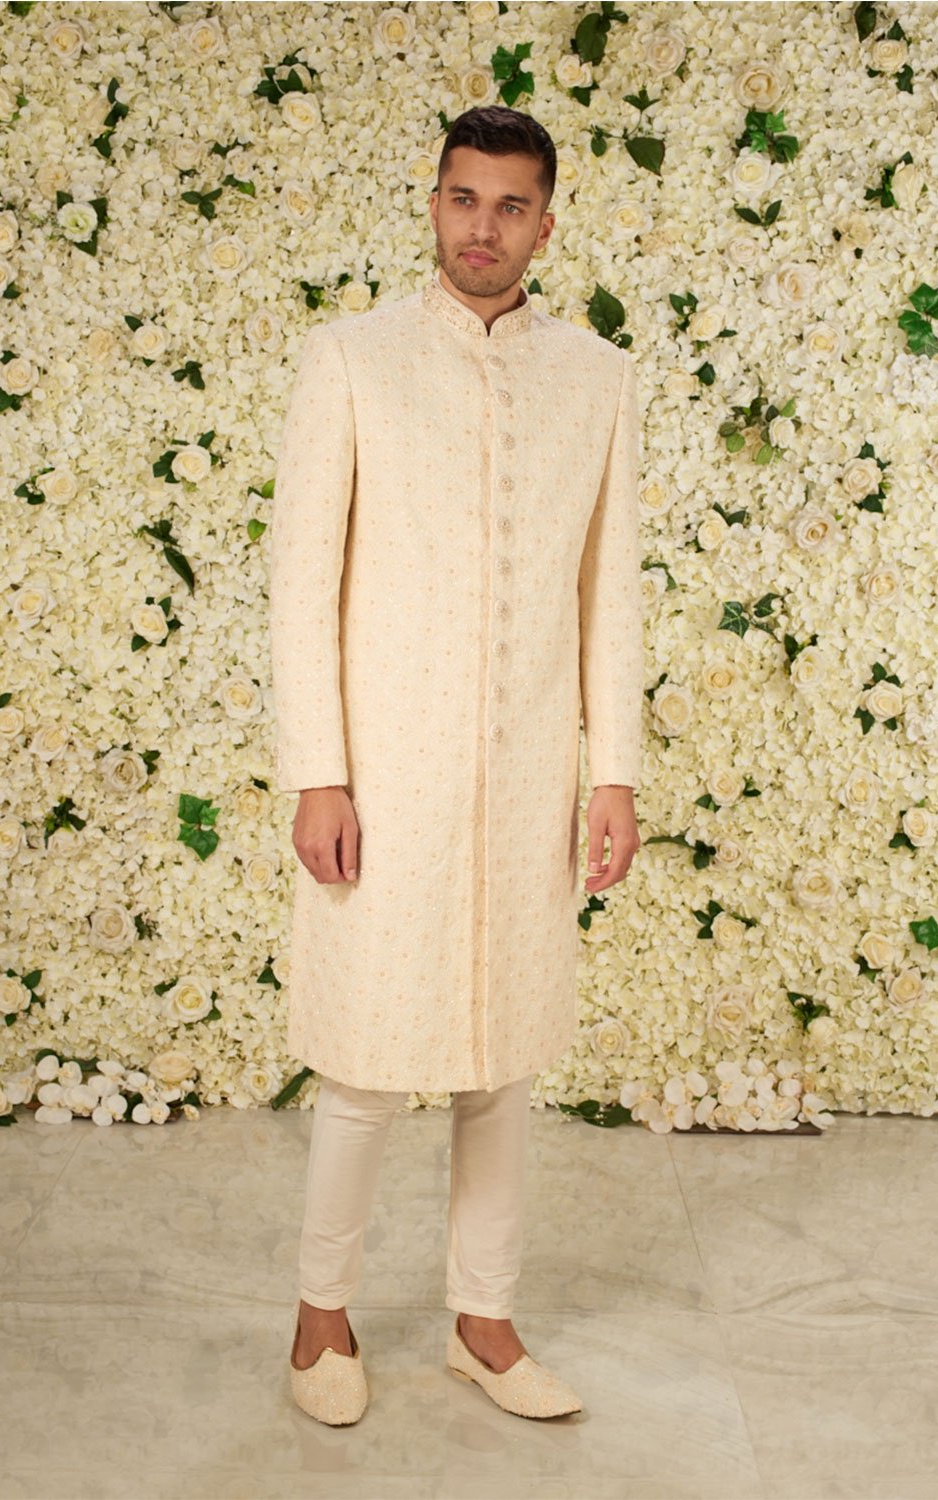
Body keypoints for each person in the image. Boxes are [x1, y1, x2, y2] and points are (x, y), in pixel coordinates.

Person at [268, 104, 644, 1425]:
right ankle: (320, 1321)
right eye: (463, 198)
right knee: (366, 1063)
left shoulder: (597, 377)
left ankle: (483, 1324)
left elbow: (608, 593)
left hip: (529, 780)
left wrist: (614, 773)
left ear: (547, 222)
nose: (483, 227)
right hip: (387, 776)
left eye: (511, 205)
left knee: (503, 1061)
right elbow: (301, 587)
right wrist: (319, 772)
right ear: (434, 204)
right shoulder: (353, 360)